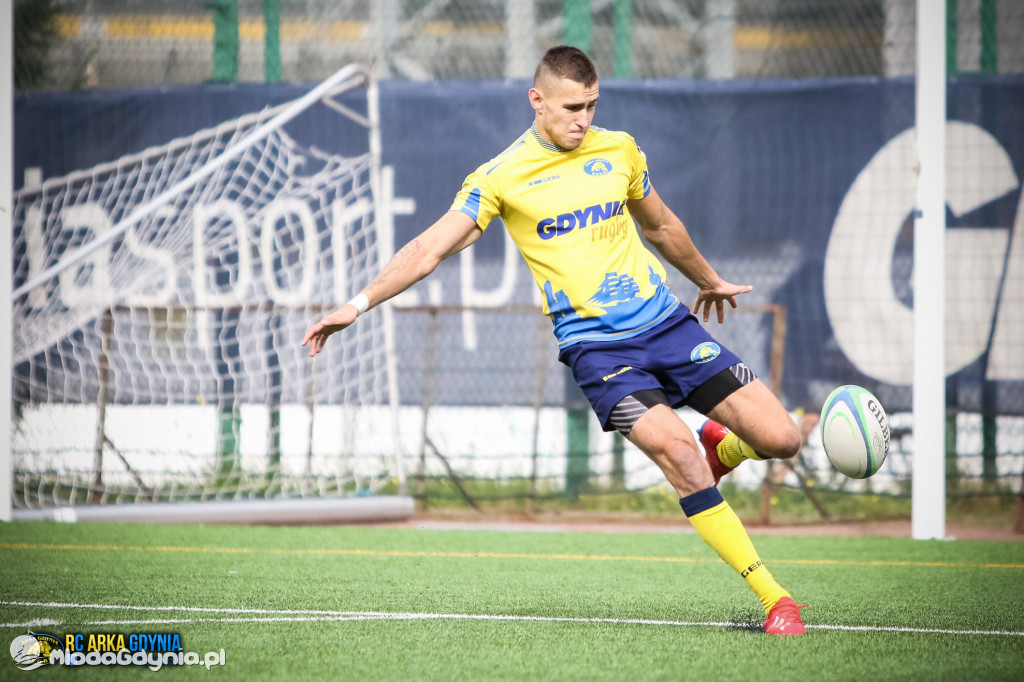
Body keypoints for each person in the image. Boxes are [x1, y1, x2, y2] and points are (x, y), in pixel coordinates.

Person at [303, 46, 807, 635]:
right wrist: (357, 304)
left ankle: (726, 449)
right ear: (536, 100)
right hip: (599, 351)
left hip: (668, 325)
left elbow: (661, 225)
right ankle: (776, 599)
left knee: (783, 439)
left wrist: (709, 279)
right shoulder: (499, 176)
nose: (583, 119)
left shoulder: (619, 149)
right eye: (572, 107)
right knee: (678, 455)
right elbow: (427, 249)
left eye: (592, 105)